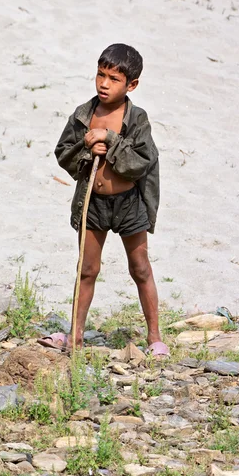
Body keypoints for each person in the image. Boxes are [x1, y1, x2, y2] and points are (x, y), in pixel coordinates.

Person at [38, 43, 169, 358]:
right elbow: (63, 152)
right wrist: (86, 148)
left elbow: (142, 161)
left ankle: (155, 338)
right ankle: (76, 335)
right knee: (87, 268)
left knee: (140, 267)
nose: (104, 84)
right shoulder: (84, 114)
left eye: (113, 78)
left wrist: (110, 141)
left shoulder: (137, 119)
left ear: (131, 85)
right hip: (93, 203)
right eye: (100, 75)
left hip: (129, 204)